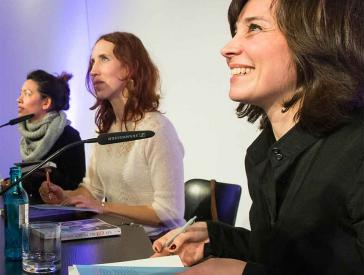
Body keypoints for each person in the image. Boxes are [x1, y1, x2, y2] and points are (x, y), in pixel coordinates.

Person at [152, 0, 364, 274]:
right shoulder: (262, 153)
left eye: (254, 27)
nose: (227, 49)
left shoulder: (356, 149)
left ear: (317, 38)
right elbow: (283, 255)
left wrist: (243, 273)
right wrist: (214, 238)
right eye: (236, 31)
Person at [39, 32, 185, 238]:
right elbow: (92, 190)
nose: (93, 71)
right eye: (92, 62)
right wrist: (66, 196)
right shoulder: (107, 130)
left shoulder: (158, 129)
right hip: (120, 238)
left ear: (129, 68)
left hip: (157, 243)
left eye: (104, 59)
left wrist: (103, 207)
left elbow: (169, 212)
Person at [17, 70, 86, 204]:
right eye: (21, 93)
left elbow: (78, 187)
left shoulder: (69, 136)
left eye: (27, 94)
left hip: (61, 218)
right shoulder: (28, 136)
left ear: (46, 102)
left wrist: (49, 175)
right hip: (31, 212)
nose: (19, 99)